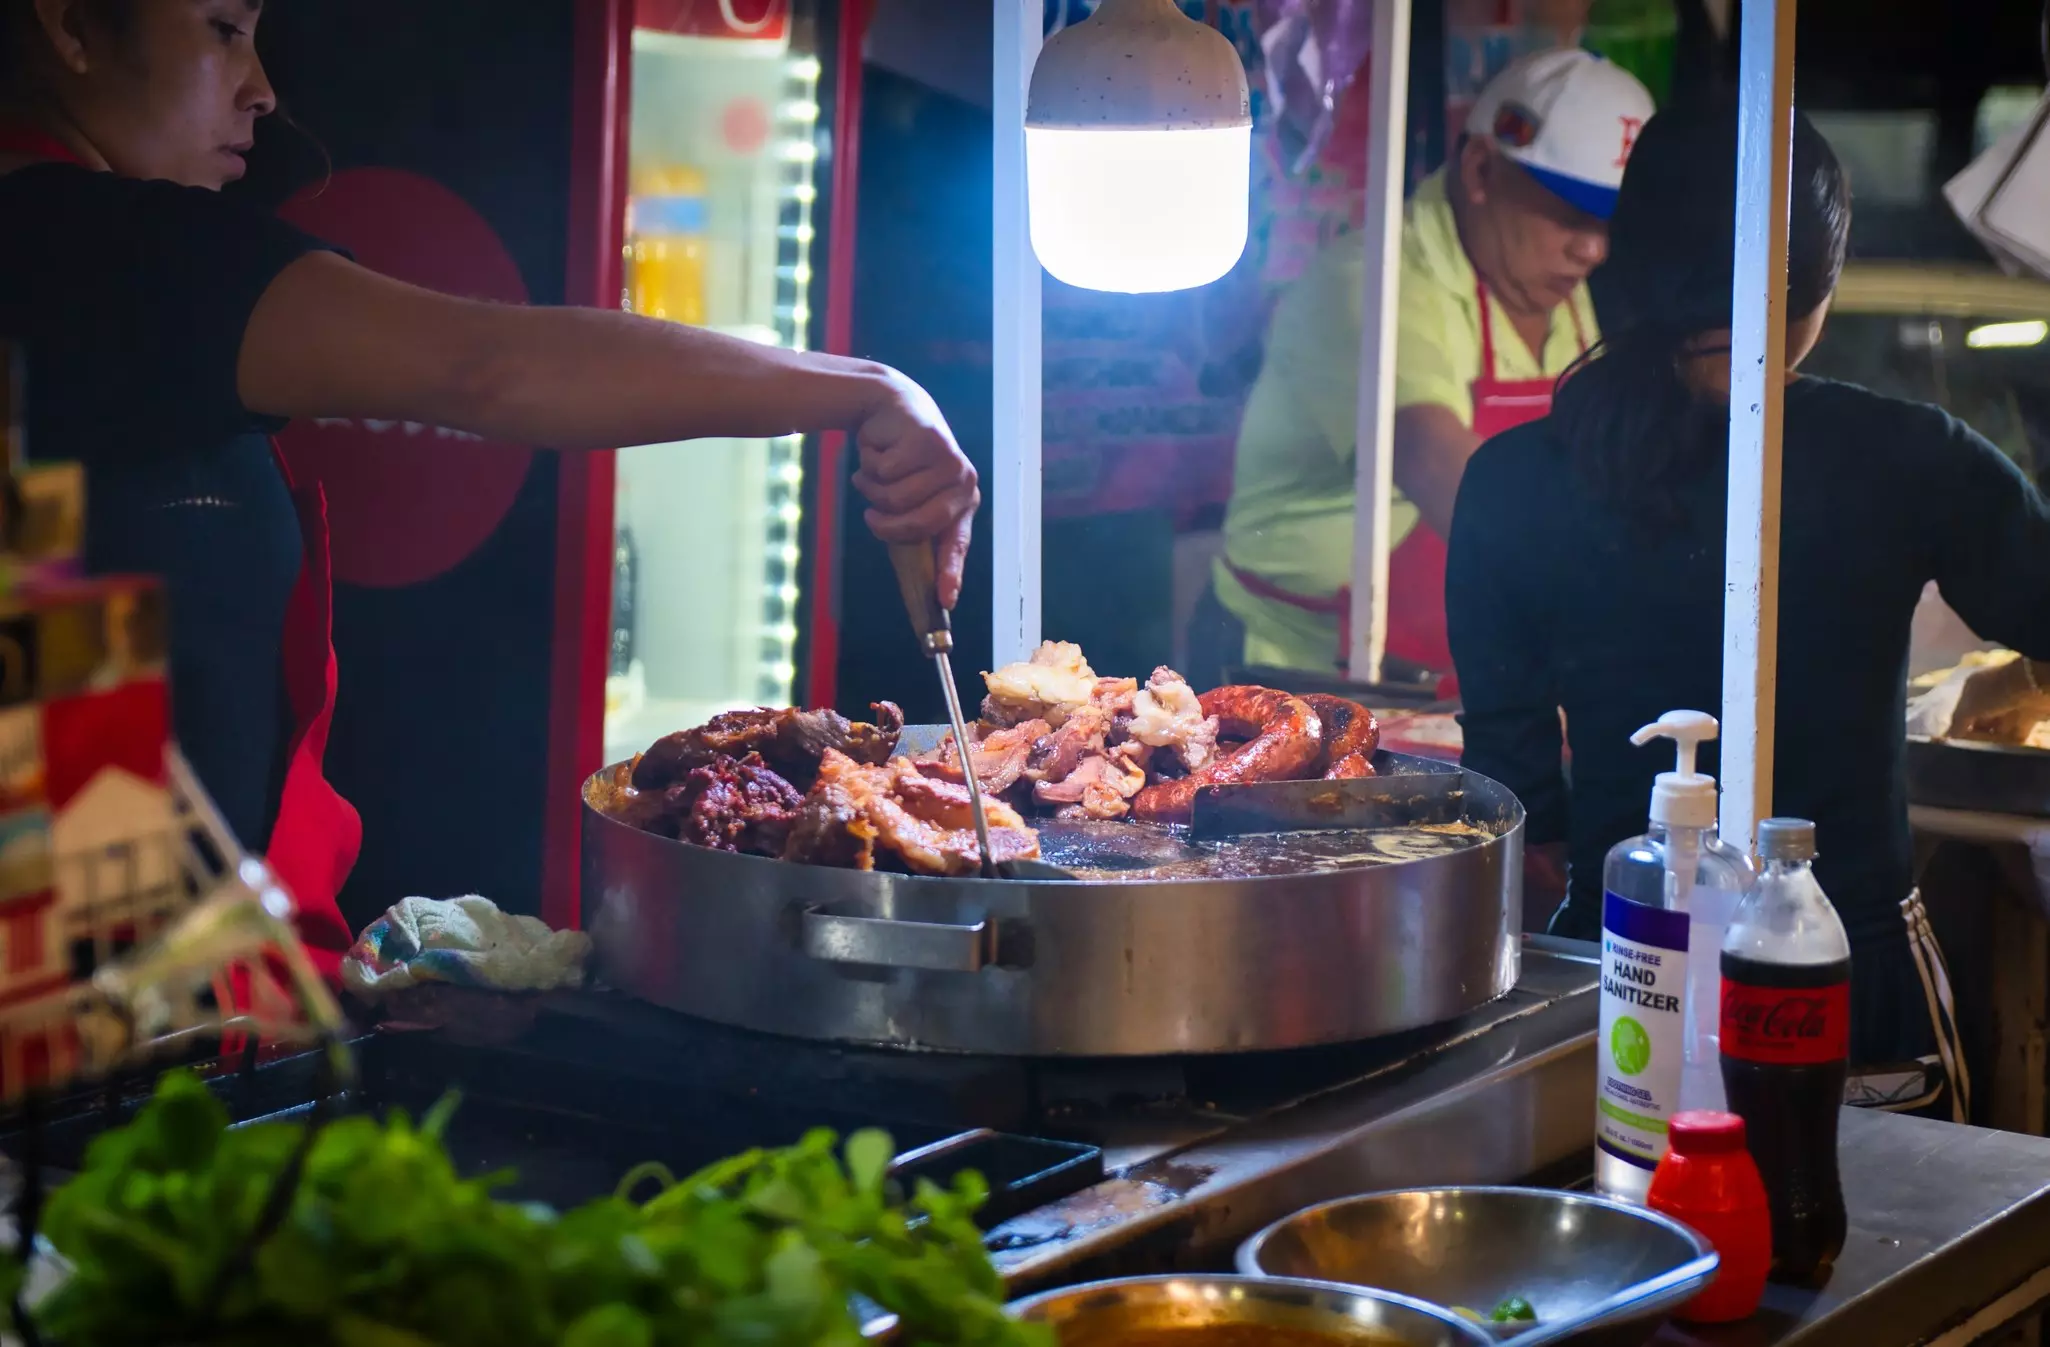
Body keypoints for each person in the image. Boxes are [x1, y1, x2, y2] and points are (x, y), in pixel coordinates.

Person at [0, 0, 980, 978]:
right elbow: (486, 368)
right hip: (82, 1032)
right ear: (72, 26)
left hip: (169, 997)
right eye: (222, 29)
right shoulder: (66, 248)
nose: (262, 91)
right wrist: (867, 390)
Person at [1446, 97, 2050, 1071]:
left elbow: (1511, 800)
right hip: (1847, 981)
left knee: (1642, 1221)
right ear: (1818, 280)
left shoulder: (1509, 482)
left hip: (1616, 982)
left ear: (1628, 267)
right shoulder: (1906, 457)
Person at [1192, 49, 1653, 688]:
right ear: (1482, 169)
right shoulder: (1370, 282)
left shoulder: (1558, 291)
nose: (1592, 249)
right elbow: (1445, 473)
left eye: (1608, 222)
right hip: (1293, 669)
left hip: (1444, 670)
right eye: (1569, 214)